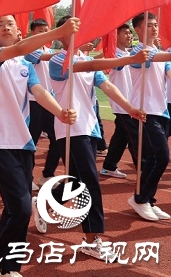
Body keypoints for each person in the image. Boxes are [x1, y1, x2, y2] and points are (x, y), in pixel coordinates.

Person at [0, 15, 78, 277]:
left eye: (10, 23)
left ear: (19, 30)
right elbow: (21, 48)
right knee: (21, 207)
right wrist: (59, 32)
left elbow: (39, 91)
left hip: (23, 143)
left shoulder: (24, 64)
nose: (6, 27)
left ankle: (10, 268)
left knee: (16, 208)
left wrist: (59, 112)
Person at [42, 15, 148, 259]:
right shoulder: (58, 61)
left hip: (89, 129)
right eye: (71, 30)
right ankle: (92, 238)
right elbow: (87, 67)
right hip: (70, 129)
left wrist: (130, 107)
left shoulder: (86, 59)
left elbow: (107, 85)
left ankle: (43, 204)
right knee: (89, 182)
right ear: (60, 35)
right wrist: (130, 58)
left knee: (76, 181)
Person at [125, 12, 171, 221]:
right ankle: (140, 198)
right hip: (144, 111)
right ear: (138, 29)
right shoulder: (138, 51)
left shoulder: (158, 52)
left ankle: (148, 199)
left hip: (161, 111)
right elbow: (153, 58)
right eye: (150, 25)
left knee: (155, 158)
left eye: (155, 25)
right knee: (160, 157)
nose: (154, 28)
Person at [23, 19, 60, 190]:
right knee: (31, 141)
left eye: (47, 30)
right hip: (33, 102)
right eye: (40, 31)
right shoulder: (29, 50)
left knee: (57, 139)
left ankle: (47, 174)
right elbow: (45, 58)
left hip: (50, 101)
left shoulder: (52, 50)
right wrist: (68, 51)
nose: (44, 34)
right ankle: (26, 177)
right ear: (32, 32)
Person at [101, 24, 136, 178]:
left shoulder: (129, 53)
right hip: (121, 104)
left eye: (130, 33)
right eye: (125, 33)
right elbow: (119, 65)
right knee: (135, 136)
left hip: (130, 101)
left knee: (121, 137)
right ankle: (143, 167)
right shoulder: (114, 56)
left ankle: (109, 166)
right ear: (117, 36)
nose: (129, 35)